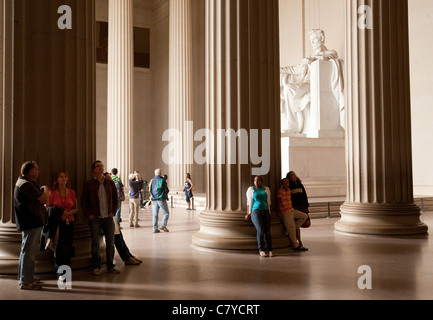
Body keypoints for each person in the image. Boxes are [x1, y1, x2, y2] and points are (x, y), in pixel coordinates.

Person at [280, 29, 345, 133]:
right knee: (288, 88)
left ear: (322, 39)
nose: (313, 43)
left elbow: (330, 57)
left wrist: (312, 60)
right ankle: (292, 126)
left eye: (315, 40)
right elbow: (294, 69)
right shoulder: (308, 57)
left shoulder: (330, 53)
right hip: (304, 84)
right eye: (312, 41)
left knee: (289, 89)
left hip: (315, 84)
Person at [14, 161, 50, 290]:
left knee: (26, 250)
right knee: (29, 252)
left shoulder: (22, 183)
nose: (38, 171)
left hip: (28, 221)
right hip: (32, 221)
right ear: (29, 171)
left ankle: (25, 276)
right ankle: (26, 281)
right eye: (36, 169)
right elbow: (44, 199)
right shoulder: (26, 185)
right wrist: (45, 188)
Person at [81, 160, 120, 275]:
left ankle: (110, 266)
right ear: (93, 169)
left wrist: (113, 211)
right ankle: (96, 266)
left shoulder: (109, 182)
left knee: (110, 243)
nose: (100, 168)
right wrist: (89, 214)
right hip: (95, 218)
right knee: (95, 243)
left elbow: (115, 198)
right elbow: (84, 201)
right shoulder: (89, 184)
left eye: (102, 166)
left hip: (108, 217)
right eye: (98, 166)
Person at [104, 173, 142, 266]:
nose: (110, 180)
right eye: (108, 178)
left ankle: (128, 255)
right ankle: (126, 257)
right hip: (107, 217)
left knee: (120, 237)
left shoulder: (110, 188)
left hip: (111, 215)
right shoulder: (104, 189)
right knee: (117, 238)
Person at [47, 171, 78, 273]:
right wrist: (61, 214)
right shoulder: (51, 193)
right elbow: (48, 209)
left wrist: (68, 214)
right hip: (57, 224)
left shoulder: (72, 192)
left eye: (65, 176)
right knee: (58, 248)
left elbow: (76, 208)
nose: (64, 178)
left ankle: (67, 271)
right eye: (61, 177)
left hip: (70, 222)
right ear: (56, 180)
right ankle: (60, 272)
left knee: (67, 247)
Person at [277, 178, 309, 251]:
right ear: (282, 184)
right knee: (291, 230)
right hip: (285, 212)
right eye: (284, 183)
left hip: (291, 210)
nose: (286, 184)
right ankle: (295, 245)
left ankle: (296, 226)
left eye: (287, 183)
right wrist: (279, 211)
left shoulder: (288, 190)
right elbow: (278, 202)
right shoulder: (280, 191)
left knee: (304, 216)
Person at [246, 176, 274, 257]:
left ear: (262, 181)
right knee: (260, 229)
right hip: (256, 211)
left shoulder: (267, 189)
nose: (256, 182)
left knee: (267, 231)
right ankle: (261, 249)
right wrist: (248, 213)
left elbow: (269, 201)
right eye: (255, 180)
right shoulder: (251, 189)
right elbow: (248, 202)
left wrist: (269, 211)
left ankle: (270, 250)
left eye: (258, 180)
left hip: (265, 211)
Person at [287, 171, 311, 248]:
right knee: (296, 226)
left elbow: (304, 196)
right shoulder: (289, 187)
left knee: (307, 223)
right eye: (292, 176)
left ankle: (296, 233)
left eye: (295, 175)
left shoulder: (300, 185)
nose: (294, 176)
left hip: (302, 207)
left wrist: (306, 207)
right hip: (294, 208)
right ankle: (299, 241)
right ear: (289, 178)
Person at [149, 168, 170, 233]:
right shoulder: (162, 180)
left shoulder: (152, 180)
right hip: (161, 198)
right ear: (160, 173)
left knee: (155, 214)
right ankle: (163, 225)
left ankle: (155, 229)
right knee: (166, 213)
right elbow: (166, 190)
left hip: (154, 199)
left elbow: (149, 189)